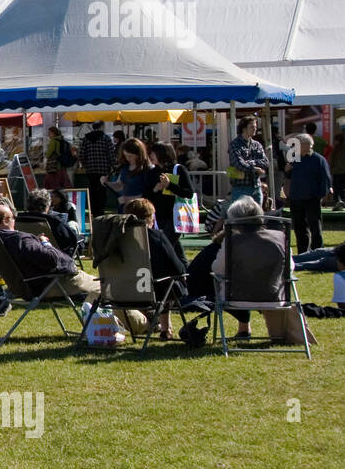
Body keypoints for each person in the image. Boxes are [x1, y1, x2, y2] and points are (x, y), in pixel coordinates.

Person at [210, 196, 311, 343]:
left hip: (236, 299)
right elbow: (290, 268)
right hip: (276, 298)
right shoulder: (280, 237)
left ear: (235, 221)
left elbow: (217, 269)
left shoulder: (232, 241)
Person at [0, 204, 100, 304]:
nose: (15, 220)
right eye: (13, 217)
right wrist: (45, 243)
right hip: (50, 284)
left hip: (21, 288)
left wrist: (35, 243)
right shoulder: (19, 240)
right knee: (105, 287)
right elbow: (52, 260)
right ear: (5, 220)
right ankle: (104, 327)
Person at [123, 198, 187, 338]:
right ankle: (165, 328)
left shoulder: (118, 239)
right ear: (148, 218)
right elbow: (178, 268)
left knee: (162, 281)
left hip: (122, 291)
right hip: (151, 291)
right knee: (169, 282)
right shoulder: (157, 237)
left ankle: (164, 327)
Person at [146, 141, 195, 263]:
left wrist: (170, 185)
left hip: (175, 215)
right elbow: (146, 195)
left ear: (163, 154)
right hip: (159, 215)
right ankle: (184, 270)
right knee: (175, 247)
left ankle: (171, 270)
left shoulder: (178, 169)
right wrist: (155, 189)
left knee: (165, 245)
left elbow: (189, 193)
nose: (151, 156)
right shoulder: (152, 172)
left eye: (154, 153)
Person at [283, 132, 332, 254]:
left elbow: (325, 178)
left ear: (306, 145)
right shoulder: (294, 158)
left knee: (315, 227)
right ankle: (302, 252)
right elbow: (288, 176)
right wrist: (287, 170)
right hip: (296, 198)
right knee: (299, 228)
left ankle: (317, 251)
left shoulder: (318, 159)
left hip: (312, 199)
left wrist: (321, 196)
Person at [16, 188, 80, 256]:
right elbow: (73, 240)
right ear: (47, 205)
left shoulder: (18, 219)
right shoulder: (55, 222)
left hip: (27, 257)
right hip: (53, 259)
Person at [227, 115, 269, 205]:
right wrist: (255, 168)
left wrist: (250, 163)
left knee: (258, 217)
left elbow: (265, 162)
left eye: (255, 127)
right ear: (244, 128)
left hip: (256, 186)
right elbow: (238, 164)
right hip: (240, 187)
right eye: (252, 127)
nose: (255, 129)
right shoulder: (234, 144)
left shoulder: (257, 144)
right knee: (241, 217)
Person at [103, 137, 150, 210]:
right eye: (125, 156)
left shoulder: (147, 169)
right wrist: (106, 183)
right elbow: (119, 185)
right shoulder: (125, 167)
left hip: (140, 209)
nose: (128, 158)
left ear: (139, 154)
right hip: (124, 208)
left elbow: (149, 193)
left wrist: (127, 199)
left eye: (130, 156)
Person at [78, 121, 115, 215]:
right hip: (103, 169)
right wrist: (113, 166)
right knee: (102, 191)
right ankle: (100, 211)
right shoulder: (106, 138)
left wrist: (86, 164)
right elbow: (111, 155)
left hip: (90, 170)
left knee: (92, 190)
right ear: (101, 127)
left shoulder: (86, 139)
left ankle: (93, 211)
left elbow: (81, 155)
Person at [331, 130, 345, 211]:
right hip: (343, 172)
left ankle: (338, 203)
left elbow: (331, 161)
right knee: (343, 188)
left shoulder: (335, 150)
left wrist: (331, 169)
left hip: (336, 172)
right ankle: (343, 202)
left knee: (336, 188)